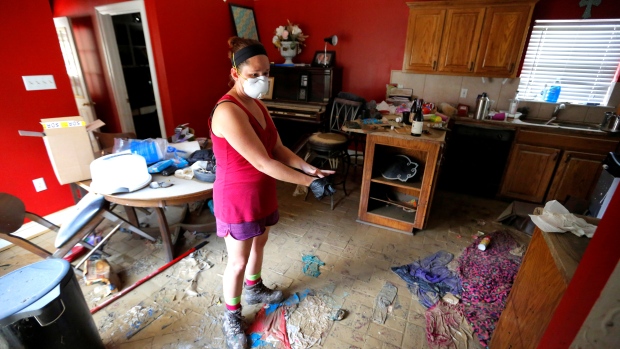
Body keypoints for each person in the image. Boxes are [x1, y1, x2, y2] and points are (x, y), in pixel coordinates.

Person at [209, 37, 336, 349]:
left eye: (266, 72)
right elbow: (262, 161)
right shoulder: (228, 110)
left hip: (262, 188)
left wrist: (310, 170)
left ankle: (255, 288)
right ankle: (231, 315)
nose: (262, 79)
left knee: (260, 241)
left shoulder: (259, 104)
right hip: (237, 195)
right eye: (254, 74)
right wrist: (309, 185)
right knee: (237, 260)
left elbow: (277, 148)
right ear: (235, 73)